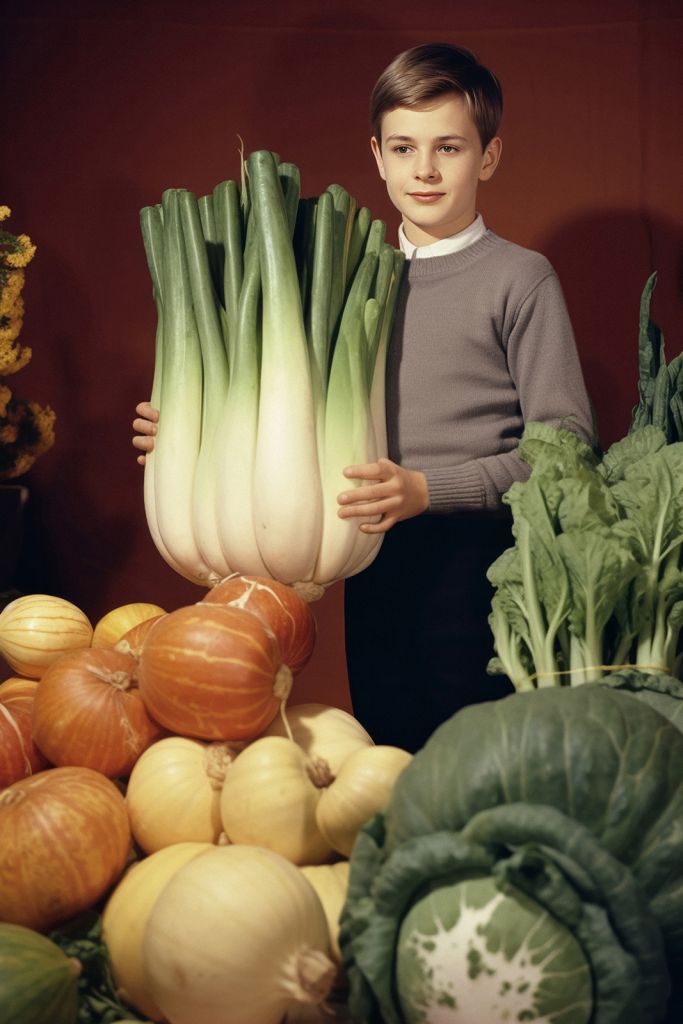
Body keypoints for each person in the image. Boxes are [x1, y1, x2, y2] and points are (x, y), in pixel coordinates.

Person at [133, 43, 595, 753]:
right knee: (382, 744)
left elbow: (565, 446)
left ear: (489, 157)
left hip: (479, 557)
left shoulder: (519, 278)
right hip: (363, 551)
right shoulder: (341, 271)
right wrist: (187, 431)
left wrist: (426, 488)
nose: (426, 169)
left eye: (449, 147)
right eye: (404, 147)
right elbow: (274, 408)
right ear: (376, 157)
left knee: (464, 748)